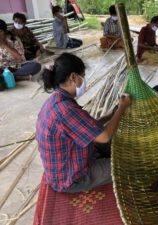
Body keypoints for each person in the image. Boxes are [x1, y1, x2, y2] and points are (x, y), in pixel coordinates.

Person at [35, 53, 132, 193]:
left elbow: (82, 128)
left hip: (72, 158)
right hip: (71, 177)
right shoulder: (65, 109)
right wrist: (121, 108)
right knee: (129, 165)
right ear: (73, 77)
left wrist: (109, 115)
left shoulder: (57, 99)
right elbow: (104, 137)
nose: (84, 80)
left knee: (121, 143)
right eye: (83, 76)